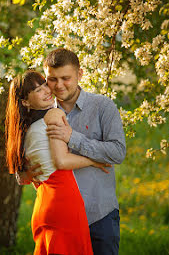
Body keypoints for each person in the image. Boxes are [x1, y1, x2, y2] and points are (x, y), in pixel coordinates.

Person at [17, 48, 127, 255]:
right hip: (60, 217)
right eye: (52, 79)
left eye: (65, 78)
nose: (58, 85)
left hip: (98, 215)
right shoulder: (40, 113)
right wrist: (25, 174)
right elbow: (23, 168)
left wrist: (72, 137)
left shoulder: (103, 106)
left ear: (80, 74)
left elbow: (118, 152)